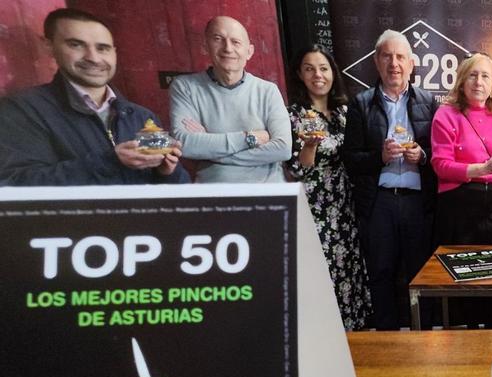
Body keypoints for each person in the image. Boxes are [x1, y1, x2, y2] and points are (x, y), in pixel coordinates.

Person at [0, 8, 188, 186]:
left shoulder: (141, 116)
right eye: (76, 45)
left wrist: (166, 172)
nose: (94, 58)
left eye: (103, 48)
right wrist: (110, 161)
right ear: (49, 47)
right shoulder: (21, 110)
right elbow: (15, 185)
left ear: (114, 52)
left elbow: (181, 187)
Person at [342, 30, 438, 330]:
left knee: (419, 274)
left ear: (411, 63)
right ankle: (387, 340)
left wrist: (422, 156)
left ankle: (423, 341)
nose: (393, 63)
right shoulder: (360, 103)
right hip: (379, 203)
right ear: (376, 61)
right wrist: (379, 157)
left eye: (400, 57)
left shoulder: (429, 102)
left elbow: (441, 154)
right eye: (387, 56)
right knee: (381, 273)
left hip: (416, 202)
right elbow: (350, 159)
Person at [288, 45, 371, 331]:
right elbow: (298, 168)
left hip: (347, 201)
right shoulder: (294, 115)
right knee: (322, 270)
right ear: (300, 74)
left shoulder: (345, 112)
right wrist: (310, 146)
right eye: (309, 69)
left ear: (333, 73)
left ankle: (354, 335)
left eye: (323, 68)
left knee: (350, 265)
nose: (318, 75)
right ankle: (325, 333)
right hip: (315, 204)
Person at [170, 16, 292, 183]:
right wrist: (249, 138)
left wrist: (212, 151)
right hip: (215, 194)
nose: (228, 48)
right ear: (205, 47)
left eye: (236, 42)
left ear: (249, 52)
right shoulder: (185, 87)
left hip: (269, 193)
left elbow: (282, 149)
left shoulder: (268, 90)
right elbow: (183, 143)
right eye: (218, 39)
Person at [431, 52, 492, 245]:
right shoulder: (445, 115)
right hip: (459, 204)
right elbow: (440, 165)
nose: (478, 82)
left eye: (485, 76)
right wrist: (483, 169)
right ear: (462, 82)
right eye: (472, 75)